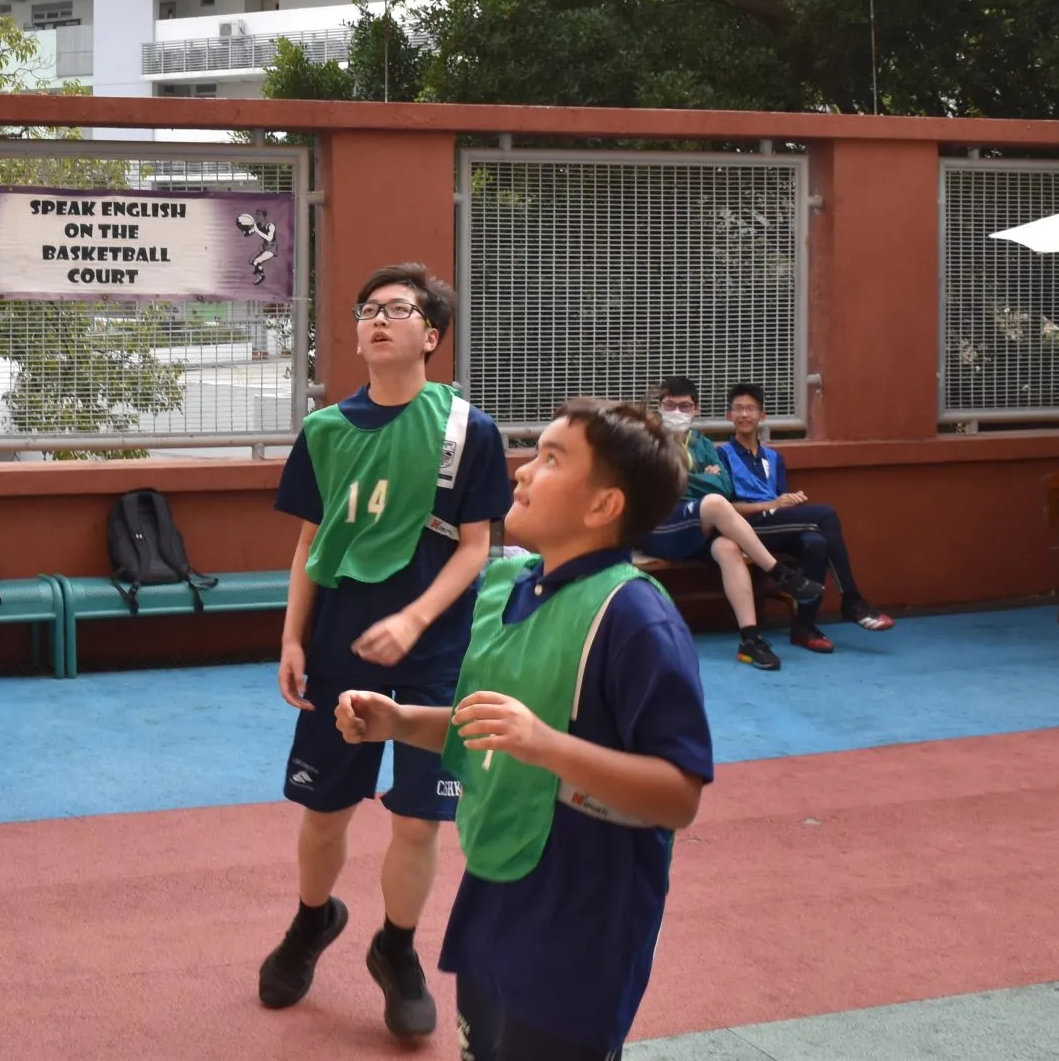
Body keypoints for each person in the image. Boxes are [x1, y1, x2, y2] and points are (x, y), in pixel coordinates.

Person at [336, 398, 712, 1060]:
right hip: (498, 884)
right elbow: (489, 728)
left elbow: (677, 794)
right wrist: (399, 721)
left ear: (604, 506)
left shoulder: (634, 619)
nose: (523, 471)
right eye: (533, 451)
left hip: (584, 913)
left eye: (551, 458)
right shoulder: (508, 584)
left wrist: (547, 745)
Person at [261, 264, 510, 1041]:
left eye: (396, 309)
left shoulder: (468, 428)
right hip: (340, 640)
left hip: (436, 651)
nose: (377, 319)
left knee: (417, 820)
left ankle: (396, 947)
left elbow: (478, 546)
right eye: (367, 308)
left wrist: (414, 618)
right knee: (325, 808)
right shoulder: (325, 430)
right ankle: (313, 919)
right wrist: (292, 634)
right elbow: (310, 538)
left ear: (429, 336)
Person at [637, 378, 820, 672]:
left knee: (728, 546)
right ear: (660, 407)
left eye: (684, 406)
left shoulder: (704, 445)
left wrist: (684, 480)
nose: (676, 412)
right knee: (713, 505)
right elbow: (654, 486)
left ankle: (750, 640)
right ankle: (779, 572)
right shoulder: (646, 442)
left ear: (695, 409)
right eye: (669, 405)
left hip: (693, 530)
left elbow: (722, 485)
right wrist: (698, 480)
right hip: (658, 530)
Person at [718, 382, 894, 647]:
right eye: (739, 409)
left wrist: (787, 501)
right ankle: (851, 599)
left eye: (751, 409)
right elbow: (724, 508)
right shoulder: (722, 455)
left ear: (762, 415)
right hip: (745, 528)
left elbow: (779, 504)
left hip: (775, 526)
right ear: (729, 416)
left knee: (817, 543)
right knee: (825, 514)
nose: (744, 415)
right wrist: (770, 504)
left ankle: (804, 627)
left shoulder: (774, 458)